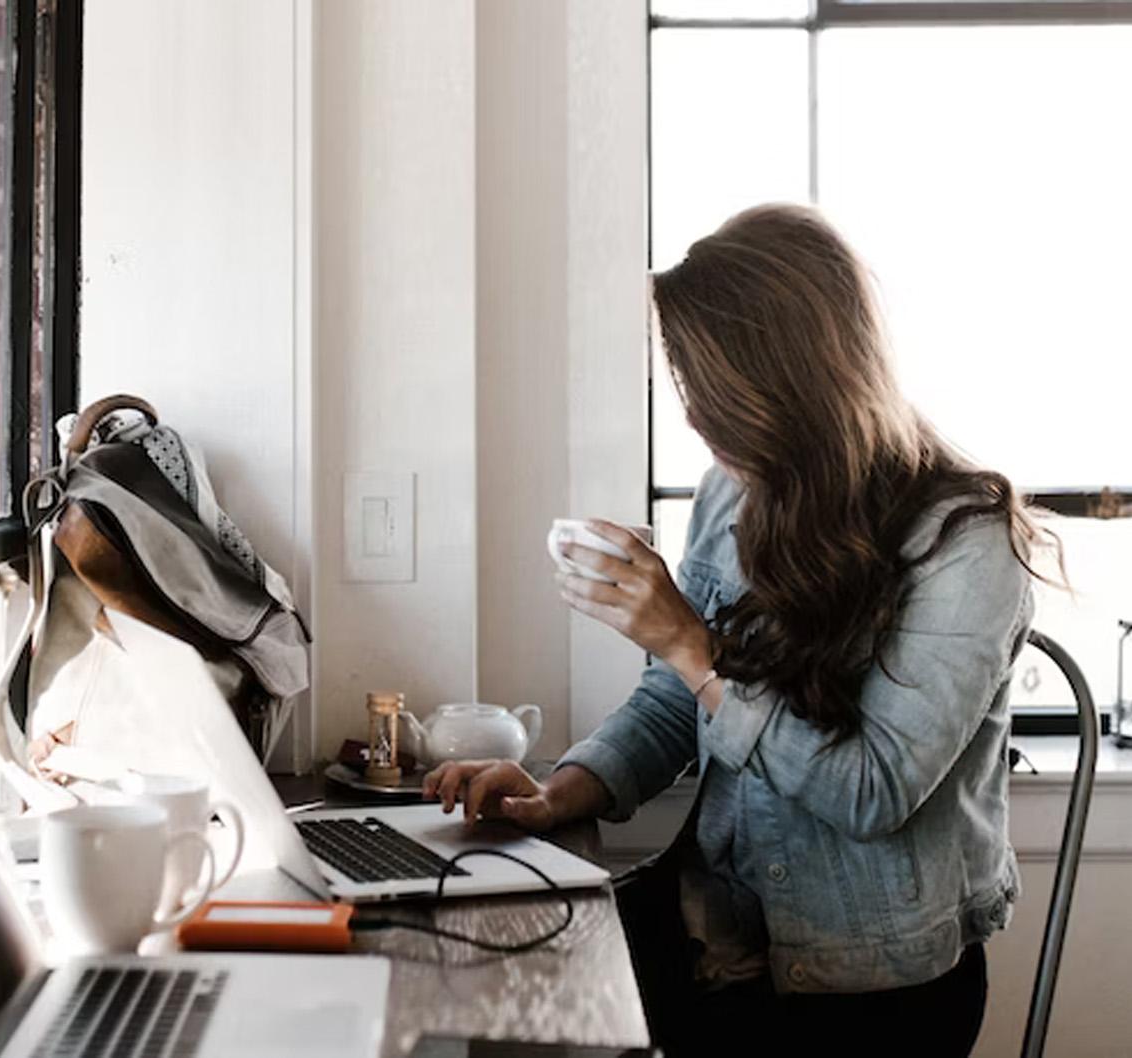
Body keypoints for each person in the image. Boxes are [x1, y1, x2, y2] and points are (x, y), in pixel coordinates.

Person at [423, 204, 1062, 1056]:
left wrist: (692, 647)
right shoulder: (733, 492)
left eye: (711, 395)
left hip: (868, 984)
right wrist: (556, 794)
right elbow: (674, 701)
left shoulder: (965, 544)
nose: (695, 420)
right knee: (477, 984)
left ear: (793, 384)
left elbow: (870, 793)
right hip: (716, 926)